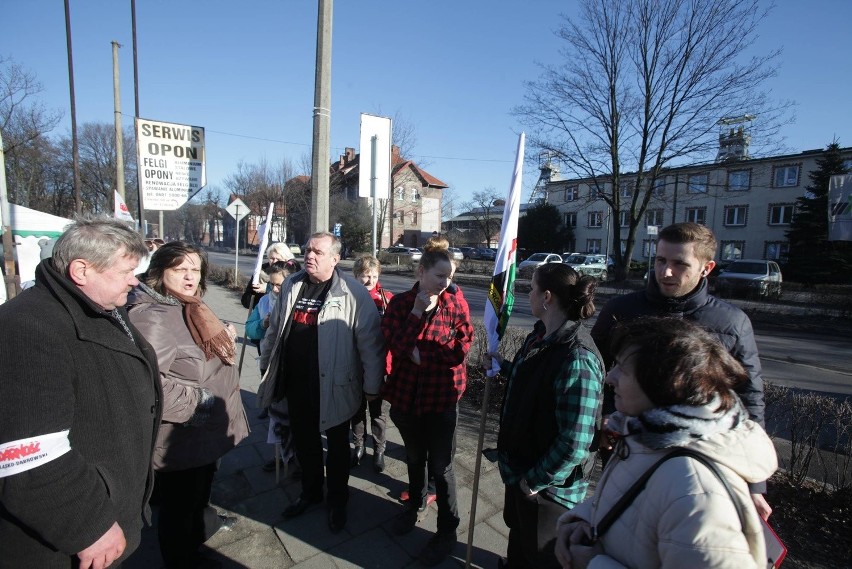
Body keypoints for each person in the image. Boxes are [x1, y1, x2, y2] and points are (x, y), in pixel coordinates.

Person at [0, 216, 162, 568]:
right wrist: (87, 526)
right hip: (67, 543)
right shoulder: (26, 328)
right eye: (126, 271)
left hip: (110, 506)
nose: (134, 281)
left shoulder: (95, 307)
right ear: (81, 271)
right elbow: (29, 456)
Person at [554, 317, 778, 569]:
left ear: (663, 383)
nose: (609, 377)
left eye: (622, 369)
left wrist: (595, 564)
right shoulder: (649, 436)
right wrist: (584, 521)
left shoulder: (697, 493)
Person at [590, 222, 771, 519]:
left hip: (697, 462)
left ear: (707, 267)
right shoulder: (622, 309)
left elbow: (750, 398)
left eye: (679, 263)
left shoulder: (731, 323)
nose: (666, 272)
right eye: (660, 260)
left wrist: (755, 484)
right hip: (628, 448)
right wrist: (605, 414)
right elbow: (594, 367)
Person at [127, 241, 249, 568]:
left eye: (195, 269)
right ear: (159, 272)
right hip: (180, 436)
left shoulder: (188, 306)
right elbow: (149, 385)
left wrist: (223, 343)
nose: (190, 277)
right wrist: (202, 403)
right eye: (180, 269)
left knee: (196, 498)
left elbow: (193, 358)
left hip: (200, 434)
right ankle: (181, 559)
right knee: (179, 510)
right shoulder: (152, 316)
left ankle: (197, 538)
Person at [257, 232, 385, 534]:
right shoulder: (292, 284)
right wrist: (267, 363)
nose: (309, 256)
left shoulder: (353, 292)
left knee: (338, 447)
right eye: (307, 250)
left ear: (335, 259)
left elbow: (371, 344)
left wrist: (372, 386)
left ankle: (338, 500)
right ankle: (312, 492)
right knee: (305, 441)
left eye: (317, 251)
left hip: (337, 384)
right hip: (296, 382)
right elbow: (276, 327)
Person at [487, 264, 605, 569]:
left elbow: (575, 442)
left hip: (549, 490)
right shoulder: (541, 335)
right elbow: (536, 383)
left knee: (539, 558)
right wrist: (503, 365)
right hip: (522, 469)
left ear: (547, 297)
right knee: (519, 539)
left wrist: (534, 481)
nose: (528, 294)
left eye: (531, 288)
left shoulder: (577, 358)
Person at [382, 237, 474, 567]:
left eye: (449, 276)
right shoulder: (401, 304)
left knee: (443, 466)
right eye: (439, 275)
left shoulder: (455, 305)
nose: (445, 282)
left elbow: (460, 349)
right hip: (406, 398)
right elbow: (394, 342)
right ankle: (415, 503)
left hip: (442, 399)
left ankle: (447, 530)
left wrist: (422, 355)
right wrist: (417, 314)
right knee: (413, 456)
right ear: (421, 272)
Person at [349, 255, 392, 472]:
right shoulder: (347, 298)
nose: (370, 281)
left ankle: (379, 449)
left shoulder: (386, 299)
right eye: (366, 276)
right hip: (353, 364)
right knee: (355, 410)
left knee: (377, 412)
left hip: (379, 365)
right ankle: (358, 446)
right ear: (356, 276)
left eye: (374, 276)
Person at [241, 242, 295, 309]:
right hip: (262, 311)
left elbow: (292, 294)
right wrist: (255, 295)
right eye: (272, 258)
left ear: (286, 260)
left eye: (278, 259)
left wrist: (267, 288)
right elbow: (246, 300)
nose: (274, 262)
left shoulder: (291, 272)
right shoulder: (260, 271)